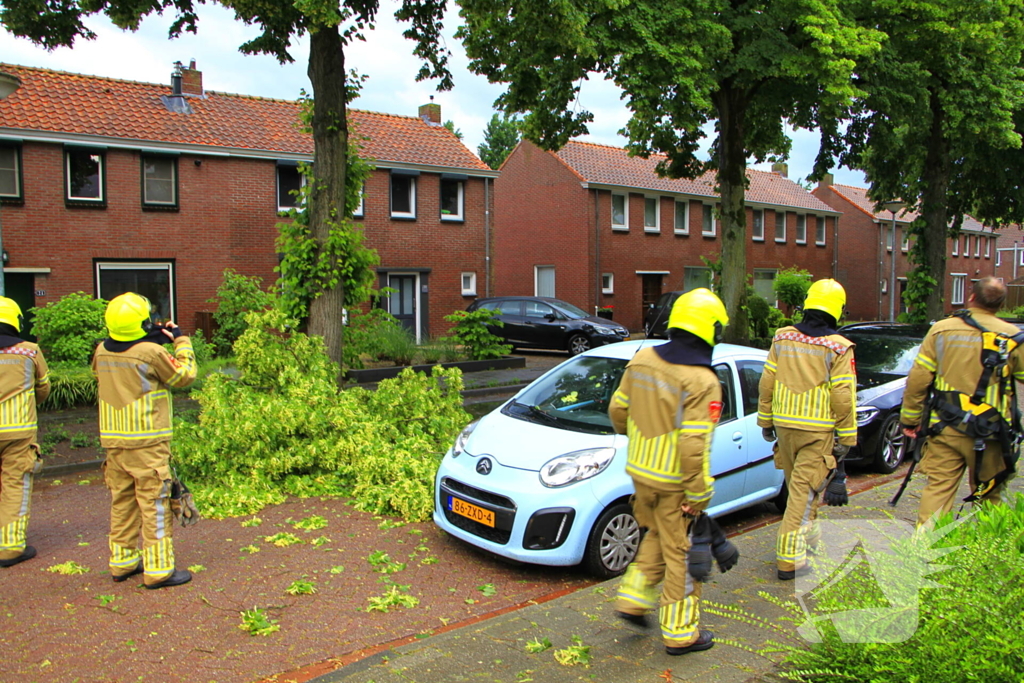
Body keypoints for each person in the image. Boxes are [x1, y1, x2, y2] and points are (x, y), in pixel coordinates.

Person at [609, 288, 729, 655]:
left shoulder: (643, 358)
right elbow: (694, 446)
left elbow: (617, 412)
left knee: (657, 534)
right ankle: (681, 633)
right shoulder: (702, 380)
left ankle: (632, 599)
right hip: (676, 482)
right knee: (681, 552)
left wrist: (643, 438)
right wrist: (698, 494)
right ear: (710, 330)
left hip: (640, 473)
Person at [900, 276, 1024, 528]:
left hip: (945, 428)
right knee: (989, 496)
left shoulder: (941, 330)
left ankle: (925, 556)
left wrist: (910, 418)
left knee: (938, 491)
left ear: (971, 297)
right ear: (1001, 304)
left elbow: (919, 378)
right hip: (992, 432)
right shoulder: (1013, 337)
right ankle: (986, 558)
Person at [93, 292, 197, 588]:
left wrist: (147, 339)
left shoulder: (101, 350)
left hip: (114, 443)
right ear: (143, 322)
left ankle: (122, 563)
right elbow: (183, 377)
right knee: (155, 504)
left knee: (123, 502)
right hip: (147, 442)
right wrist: (179, 341)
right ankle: (160, 571)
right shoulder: (151, 353)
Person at [758, 279, 857, 580]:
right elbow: (843, 395)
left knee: (804, 491)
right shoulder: (839, 347)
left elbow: (767, 381)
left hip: (785, 429)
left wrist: (765, 421)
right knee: (802, 496)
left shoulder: (782, 338)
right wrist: (847, 436)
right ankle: (790, 561)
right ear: (837, 310)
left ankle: (808, 543)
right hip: (818, 432)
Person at [0, 297, 50, 568]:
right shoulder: (29, 351)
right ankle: (9, 548)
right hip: (17, 430)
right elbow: (43, 388)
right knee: (15, 485)